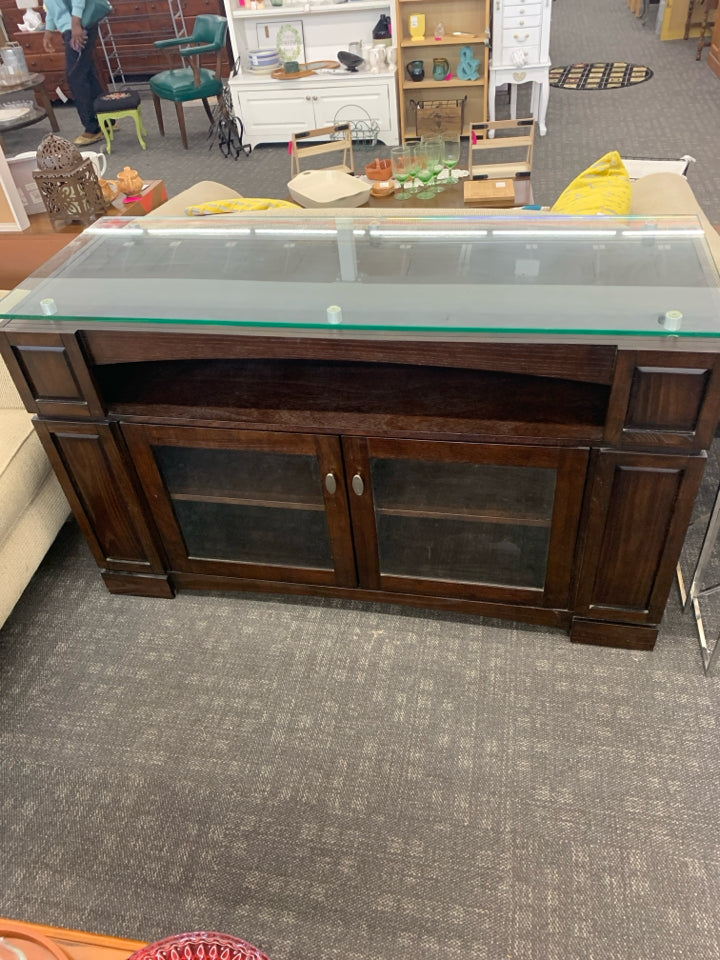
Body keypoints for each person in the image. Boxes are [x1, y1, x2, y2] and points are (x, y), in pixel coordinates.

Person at [42, 0, 105, 146]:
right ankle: (107, 120)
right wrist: (49, 30)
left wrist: (76, 24)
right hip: (72, 27)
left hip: (78, 27)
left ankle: (93, 129)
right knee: (87, 74)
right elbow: (52, 5)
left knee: (76, 78)